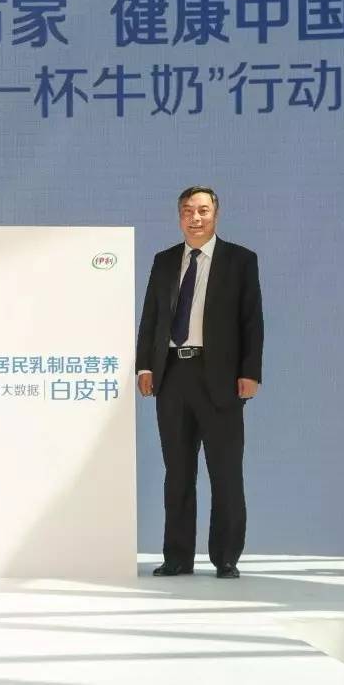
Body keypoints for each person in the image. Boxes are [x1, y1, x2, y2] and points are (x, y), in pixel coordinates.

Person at [136, 187, 263, 579]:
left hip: (220, 377)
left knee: (225, 472)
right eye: (188, 210)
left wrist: (250, 372)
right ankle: (177, 556)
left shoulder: (240, 260)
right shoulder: (164, 261)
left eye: (203, 210)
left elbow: (252, 320)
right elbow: (151, 317)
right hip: (172, 374)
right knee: (177, 473)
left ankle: (226, 557)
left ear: (216, 214)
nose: (196, 218)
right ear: (179, 216)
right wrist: (144, 366)